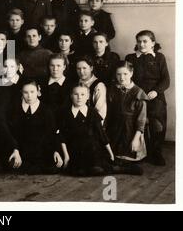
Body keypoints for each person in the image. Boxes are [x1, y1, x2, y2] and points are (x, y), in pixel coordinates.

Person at [125, 30, 170, 166]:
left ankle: (156, 152)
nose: (142, 44)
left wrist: (156, 91)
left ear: (152, 43)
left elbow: (166, 80)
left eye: (145, 41)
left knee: (157, 118)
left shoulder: (159, 57)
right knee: (135, 118)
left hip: (154, 95)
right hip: (136, 93)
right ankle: (140, 150)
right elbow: (126, 77)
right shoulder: (131, 58)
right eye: (139, 41)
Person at [58, 85, 114, 176]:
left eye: (83, 94)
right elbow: (62, 137)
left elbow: (102, 134)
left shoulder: (92, 112)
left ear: (88, 96)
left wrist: (111, 153)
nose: (79, 97)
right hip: (74, 150)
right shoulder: (66, 113)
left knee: (98, 169)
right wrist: (66, 156)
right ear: (71, 96)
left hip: (92, 150)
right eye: (76, 94)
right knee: (78, 172)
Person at [9, 79, 63, 174]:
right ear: (21, 93)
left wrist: (56, 151)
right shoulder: (15, 110)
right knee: (14, 166)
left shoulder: (46, 111)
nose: (29, 96)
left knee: (52, 167)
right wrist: (15, 150)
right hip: (22, 153)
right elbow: (12, 133)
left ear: (38, 91)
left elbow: (52, 133)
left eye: (32, 92)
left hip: (41, 153)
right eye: (26, 92)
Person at [106, 61, 148, 164]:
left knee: (128, 158)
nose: (122, 78)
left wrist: (136, 139)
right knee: (110, 158)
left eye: (125, 74)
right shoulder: (112, 89)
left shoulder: (138, 92)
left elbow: (141, 120)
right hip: (115, 129)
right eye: (118, 74)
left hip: (131, 130)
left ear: (131, 73)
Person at [75, 56, 107, 123]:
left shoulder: (99, 86)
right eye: (78, 69)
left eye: (84, 68)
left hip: (91, 124)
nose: (81, 71)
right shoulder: (75, 84)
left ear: (91, 68)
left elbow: (100, 113)